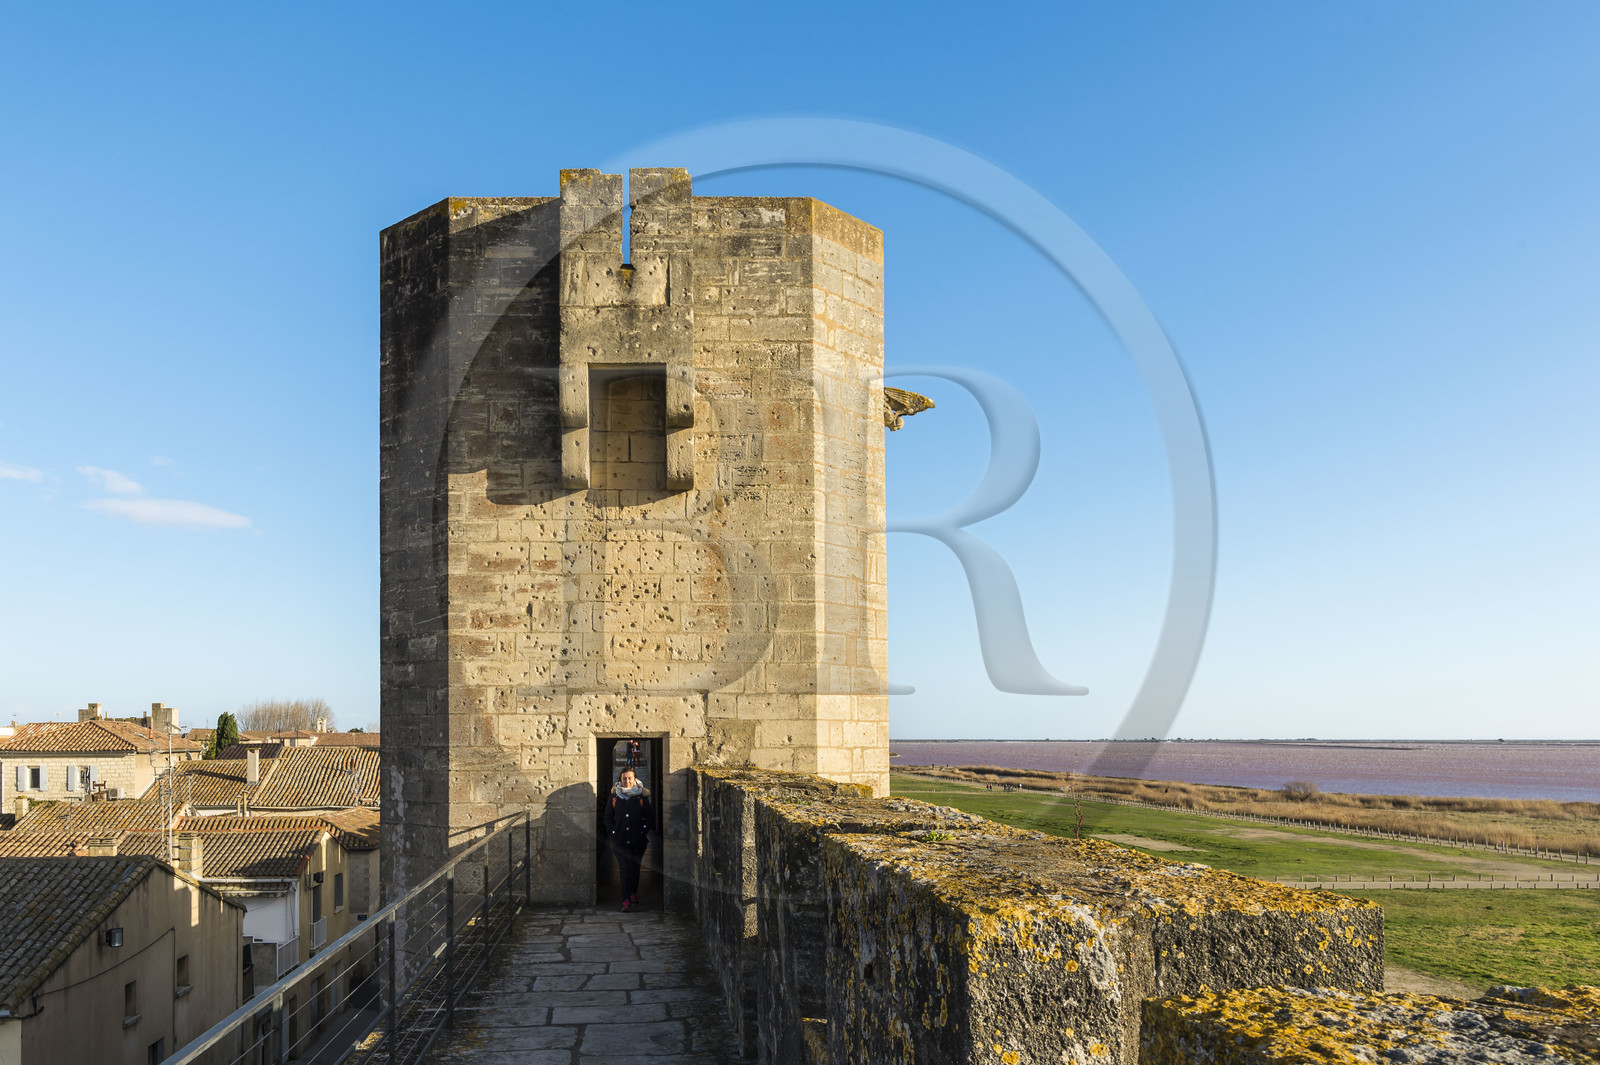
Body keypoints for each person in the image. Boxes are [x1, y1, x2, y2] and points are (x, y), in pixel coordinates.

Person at [604, 767, 652, 912]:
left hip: (638, 840)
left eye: (630, 778)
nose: (627, 781)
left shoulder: (642, 797)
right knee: (625, 869)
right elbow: (607, 817)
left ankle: (632, 894)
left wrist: (643, 830)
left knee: (635, 868)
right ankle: (626, 901)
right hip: (620, 841)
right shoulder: (614, 797)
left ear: (635, 779)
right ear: (620, 779)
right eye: (624, 778)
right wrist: (613, 831)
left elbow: (649, 817)